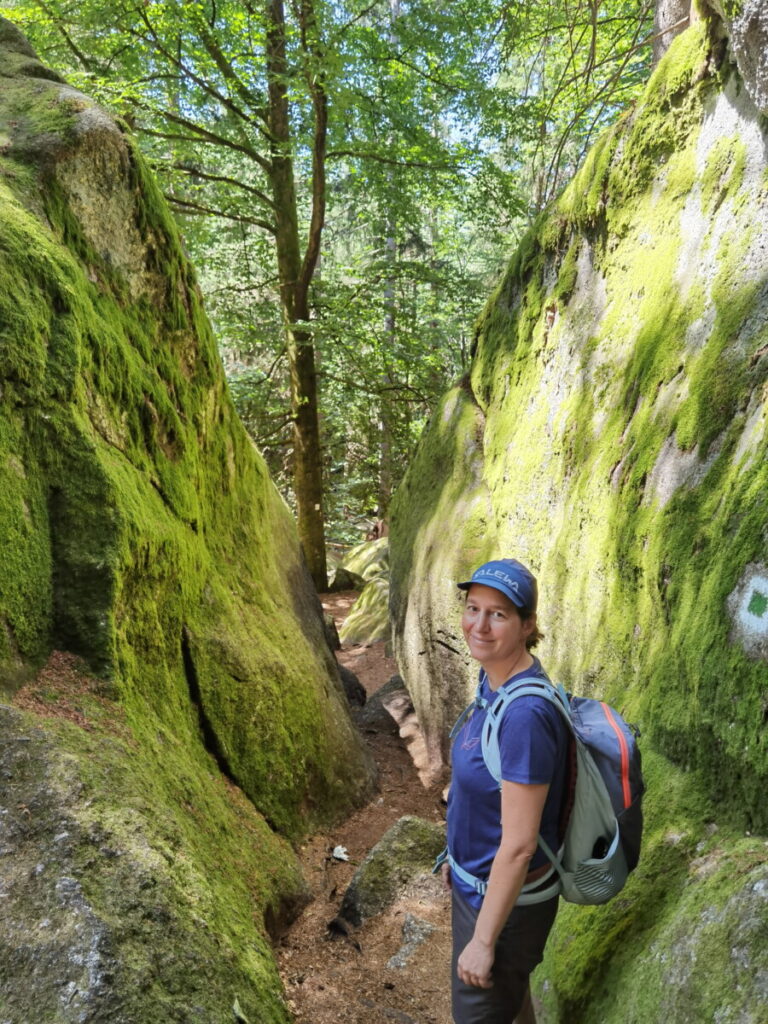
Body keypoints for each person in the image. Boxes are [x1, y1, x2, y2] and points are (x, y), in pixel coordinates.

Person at [442, 558, 568, 1024]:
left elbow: (517, 846)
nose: (479, 624)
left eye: (498, 614)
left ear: (527, 625)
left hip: (505, 908)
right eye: (473, 608)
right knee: (511, 1006)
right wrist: (454, 858)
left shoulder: (525, 717)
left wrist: (483, 941)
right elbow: (479, 791)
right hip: (477, 885)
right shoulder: (493, 680)